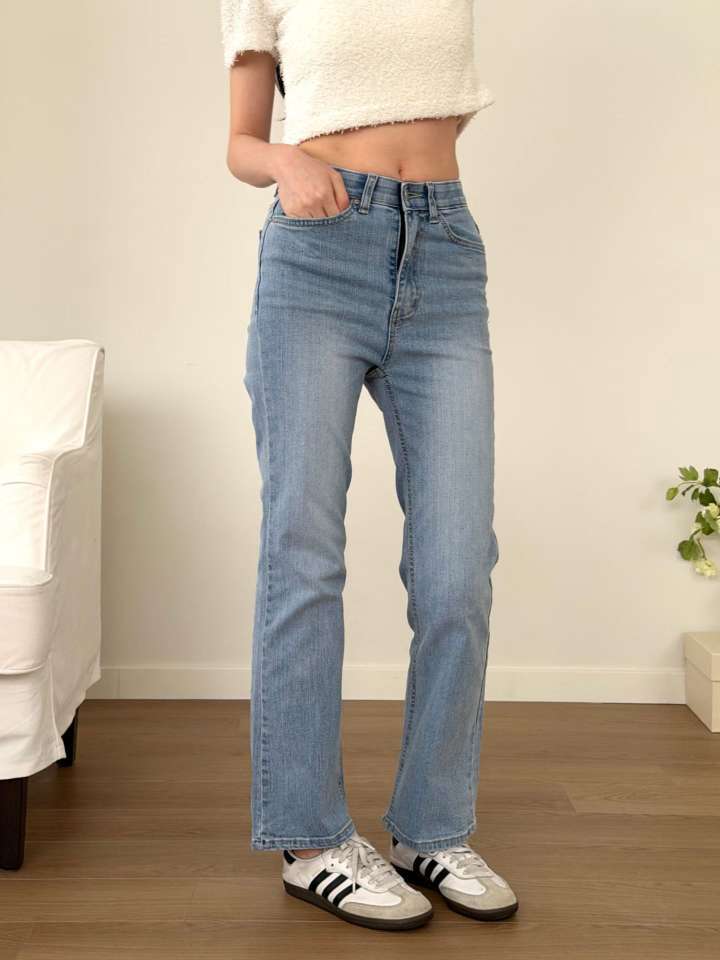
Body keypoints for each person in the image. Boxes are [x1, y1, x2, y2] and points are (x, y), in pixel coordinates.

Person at [220, 0, 518, 932]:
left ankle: (433, 828)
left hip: (445, 249)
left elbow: (439, 102)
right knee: (304, 552)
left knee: (458, 568)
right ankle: (310, 843)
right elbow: (240, 143)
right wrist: (287, 161)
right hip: (317, 257)